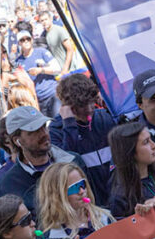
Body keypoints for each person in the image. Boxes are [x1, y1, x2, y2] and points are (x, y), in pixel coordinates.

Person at [0, 106, 86, 213]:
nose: (44, 134)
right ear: (17, 140)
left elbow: (93, 205)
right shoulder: (9, 185)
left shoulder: (73, 162)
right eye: (34, 130)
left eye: (44, 126)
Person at [48, 73, 115, 204]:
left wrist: (109, 107)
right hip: (90, 201)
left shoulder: (105, 117)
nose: (90, 109)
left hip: (117, 197)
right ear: (69, 106)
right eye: (83, 105)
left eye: (92, 102)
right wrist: (69, 124)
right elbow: (67, 163)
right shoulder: (57, 129)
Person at [35, 163, 113, 239]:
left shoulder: (105, 217)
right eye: (74, 188)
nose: (82, 191)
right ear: (57, 196)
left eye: (82, 184)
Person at [13, 29, 61, 119]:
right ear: (19, 43)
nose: (26, 41)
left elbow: (58, 68)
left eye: (28, 39)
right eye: (22, 40)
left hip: (52, 94)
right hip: (38, 101)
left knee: (59, 121)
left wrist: (41, 70)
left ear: (32, 39)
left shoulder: (41, 52)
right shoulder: (18, 62)